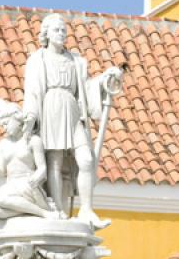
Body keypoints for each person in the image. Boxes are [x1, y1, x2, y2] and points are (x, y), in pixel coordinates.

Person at [23, 13, 121, 230]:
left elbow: (86, 89)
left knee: (86, 160)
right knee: (55, 162)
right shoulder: (37, 60)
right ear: (46, 33)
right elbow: (32, 92)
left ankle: (86, 209)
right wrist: (30, 118)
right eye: (57, 30)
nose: (61, 34)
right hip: (50, 108)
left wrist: (105, 80)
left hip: (73, 110)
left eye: (64, 30)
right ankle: (57, 209)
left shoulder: (77, 61)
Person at [0, 99, 61, 221]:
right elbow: (2, 171)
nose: (4, 128)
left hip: (27, 183)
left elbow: (42, 168)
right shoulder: (4, 144)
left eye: (6, 123)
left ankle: (41, 213)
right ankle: (34, 211)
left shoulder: (33, 141)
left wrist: (36, 178)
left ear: (17, 120)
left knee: (1, 199)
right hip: (11, 184)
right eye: (2, 125)